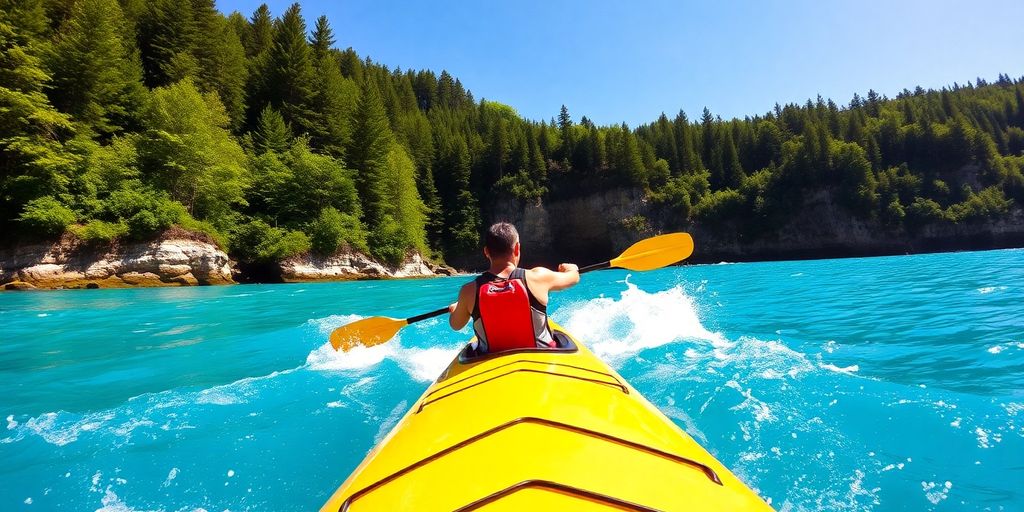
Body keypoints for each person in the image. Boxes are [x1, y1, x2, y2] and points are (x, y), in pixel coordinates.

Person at [448, 222, 579, 353]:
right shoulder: (538, 276)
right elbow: (573, 278)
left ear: (486, 252)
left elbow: (456, 325)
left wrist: (457, 309)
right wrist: (571, 268)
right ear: (517, 248)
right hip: (541, 356)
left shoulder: (469, 291)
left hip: (491, 361)